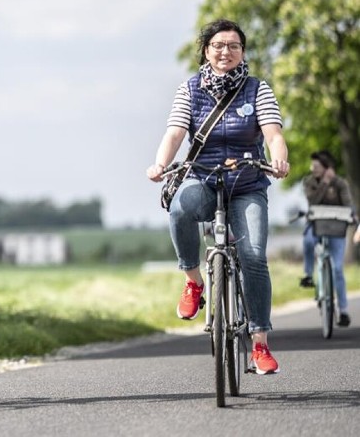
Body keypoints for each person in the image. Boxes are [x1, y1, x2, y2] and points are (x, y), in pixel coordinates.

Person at [146, 19, 290, 375]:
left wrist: (279, 158)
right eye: (218, 45)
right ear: (207, 51)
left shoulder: (258, 89)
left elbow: (272, 134)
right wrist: (160, 164)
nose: (226, 52)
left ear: (243, 52)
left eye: (234, 46)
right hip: (204, 178)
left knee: (254, 257)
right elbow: (176, 131)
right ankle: (194, 280)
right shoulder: (190, 89)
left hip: (247, 184)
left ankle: (259, 345)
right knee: (180, 209)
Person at [300, 150, 353, 327]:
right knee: (307, 241)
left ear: (326, 167)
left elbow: (348, 205)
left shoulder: (340, 184)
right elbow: (313, 202)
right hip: (317, 226)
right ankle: (308, 274)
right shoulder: (308, 182)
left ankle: (343, 310)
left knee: (338, 269)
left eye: (316, 166)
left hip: (336, 228)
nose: (312, 169)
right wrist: (324, 183)